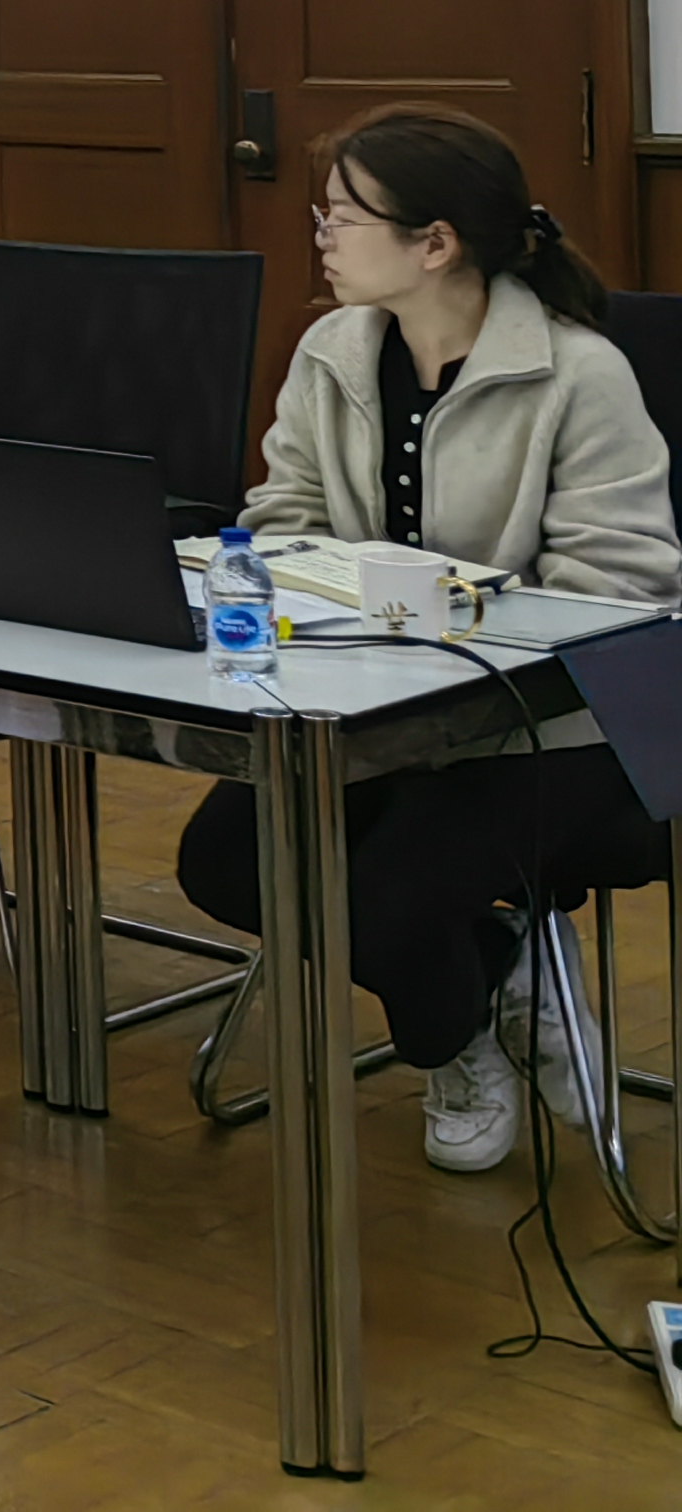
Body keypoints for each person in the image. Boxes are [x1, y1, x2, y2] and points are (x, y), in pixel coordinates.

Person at [174, 109, 679, 1176]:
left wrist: (449, 619)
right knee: (221, 862)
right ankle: (504, 967)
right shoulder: (332, 351)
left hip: (556, 727)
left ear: (434, 243)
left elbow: (622, 583)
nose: (321, 236)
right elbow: (284, 515)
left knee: (388, 904)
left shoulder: (578, 374)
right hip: (374, 707)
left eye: (342, 217)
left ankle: (451, 1049)